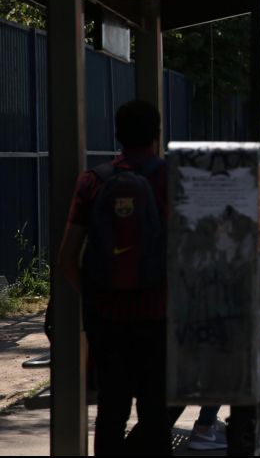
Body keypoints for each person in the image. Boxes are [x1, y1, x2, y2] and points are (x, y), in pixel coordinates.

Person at [58, 99, 171, 455]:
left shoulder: (92, 182)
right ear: (156, 135)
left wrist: (95, 297)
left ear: (118, 135)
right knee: (156, 413)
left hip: (107, 320)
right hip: (157, 316)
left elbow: (67, 258)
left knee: (111, 411)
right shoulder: (171, 181)